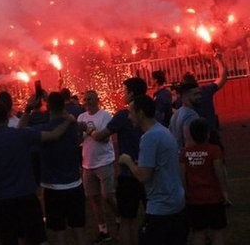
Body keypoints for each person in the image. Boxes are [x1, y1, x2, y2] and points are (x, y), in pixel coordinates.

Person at [0, 101, 75, 245]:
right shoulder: (21, 135)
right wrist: (68, 121)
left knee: (9, 239)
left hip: (2, 200)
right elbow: (54, 135)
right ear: (7, 117)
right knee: (39, 239)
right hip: (26, 197)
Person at [119, 95, 187, 245]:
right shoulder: (162, 131)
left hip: (161, 207)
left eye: (131, 112)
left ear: (141, 113)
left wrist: (128, 161)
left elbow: (143, 177)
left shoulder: (149, 137)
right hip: (176, 202)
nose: (129, 117)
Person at [89, 77, 147, 245]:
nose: (122, 94)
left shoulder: (123, 115)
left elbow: (101, 136)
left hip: (129, 174)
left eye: (124, 91)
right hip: (149, 171)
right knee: (154, 215)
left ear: (131, 93)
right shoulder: (151, 112)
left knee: (128, 220)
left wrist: (90, 130)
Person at [38, 93, 87, 245]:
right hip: (74, 183)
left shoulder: (44, 128)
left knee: (59, 231)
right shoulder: (74, 125)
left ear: (47, 107)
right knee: (79, 228)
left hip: (53, 187)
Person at [181, 118, 230, 245]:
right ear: (207, 134)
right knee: (218, 231)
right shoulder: (214, 150)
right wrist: (224, 192)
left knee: (198, 232)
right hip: (214, 197)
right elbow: (218, 171)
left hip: (194, 198)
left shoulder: (185, 153)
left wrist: (185, 193)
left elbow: (182, 175)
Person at [77, 90, 117, 243]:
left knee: (108, 196)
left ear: (97, 100)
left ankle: (119, 216)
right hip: (88, 163)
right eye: (85, 99)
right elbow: (79, 141)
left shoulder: (105, 116)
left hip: (104, 161)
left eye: (90, 99)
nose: (87, 102)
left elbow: (105, 139)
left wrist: (87, 129)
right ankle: (103, 230)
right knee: (94, 198)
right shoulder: (81, 117)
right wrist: (80, 133)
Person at [183, 52, 228, 132]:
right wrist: (219, 60)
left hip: (193, 135)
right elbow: (223, 77)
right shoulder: (206, 90)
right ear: (195, 80)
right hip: (210, 132)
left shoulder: (182, 97)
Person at [169, 82, 201, 149]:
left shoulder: (176, 114)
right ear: (185, 96)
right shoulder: (191, 115)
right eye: (196, 94)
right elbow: (190, 143)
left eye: (199, 93)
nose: (199, 96)